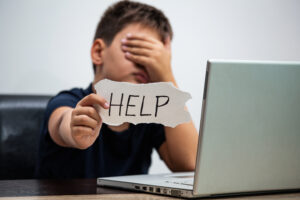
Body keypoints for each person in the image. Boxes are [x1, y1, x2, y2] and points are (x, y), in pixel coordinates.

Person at [36, 0, 198, 179]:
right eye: (137, 50)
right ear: (98, 52)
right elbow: (62, 124)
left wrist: (166, 77)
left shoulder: (150, 117)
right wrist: (76, 127)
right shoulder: (68, 100)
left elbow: (189, 165)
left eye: (157, 58)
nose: (147, 64)